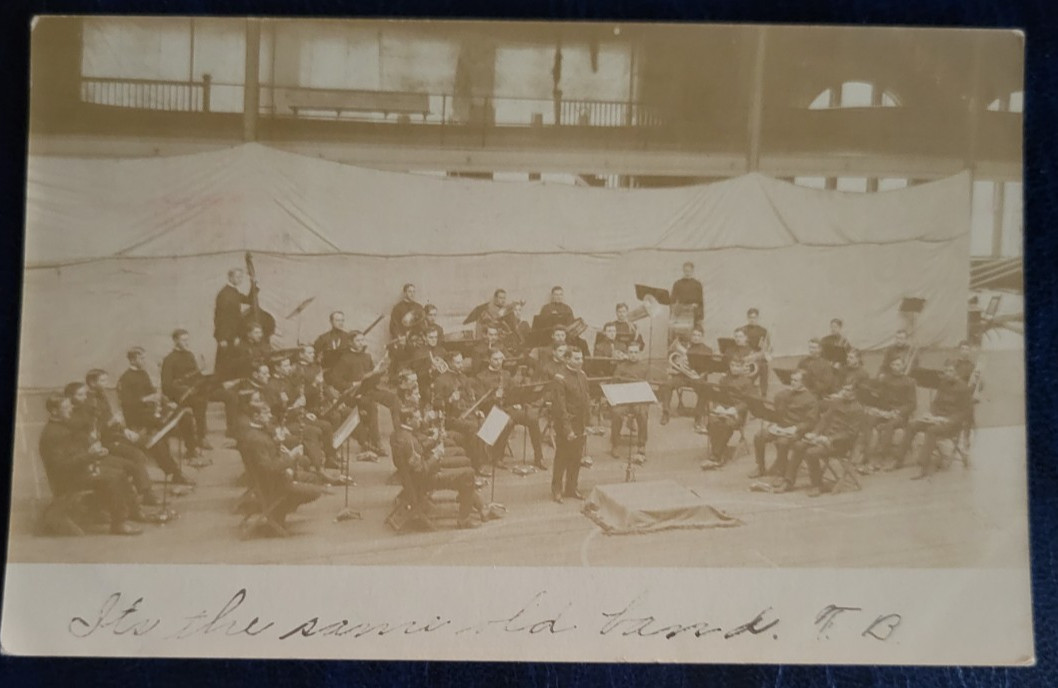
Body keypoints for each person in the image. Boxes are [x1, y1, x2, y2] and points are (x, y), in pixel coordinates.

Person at [39, 394, 144, 536]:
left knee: (119, 471)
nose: (70, 410)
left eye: (70, 406)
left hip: (78, 471)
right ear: (54, 411)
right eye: (66, 407)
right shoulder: (52, 434)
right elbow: (60, 466)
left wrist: (94, 452)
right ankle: (119, 523)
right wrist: (91, 455)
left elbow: (74, 453)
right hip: (67, 480)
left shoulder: (63, 426)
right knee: (114, 477)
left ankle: (128, 512)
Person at [85, 368, 194, 487]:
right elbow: (92, 430)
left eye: (106, 380)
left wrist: (125, 430)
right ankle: (148, 489)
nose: (106, 384)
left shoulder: (102, 397)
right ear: (92, 383)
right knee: (139, 452)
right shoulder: (89, 402)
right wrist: (112, 422)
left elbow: (111, 421)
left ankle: (174, 473)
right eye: (102, 381)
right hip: (107, 441)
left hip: (118, 434)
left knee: (155, 441)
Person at [390, 407, 494, 529]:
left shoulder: (399, 435)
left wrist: (434, 444)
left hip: (416, 479)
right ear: (408, 420)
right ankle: (464, 519)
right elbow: (421, 472)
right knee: (469, 474)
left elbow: (419, 455)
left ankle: (471, 498)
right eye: (417, 418)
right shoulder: (409, 442)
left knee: (465, 466)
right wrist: (436, 456)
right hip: (425, 481)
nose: (420, 420)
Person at [238, 403, 328, 534]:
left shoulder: (256, 432)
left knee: (314, 478)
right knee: (316, 491)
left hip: (275, 477)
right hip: (273, 483)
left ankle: (279, 512)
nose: (270, 416)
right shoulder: (257, 440)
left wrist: (278, 444)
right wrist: (291, 457)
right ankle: (277, 513)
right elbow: (269, 467)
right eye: (266, 414)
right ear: (256, 416)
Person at [779, 382, 864, 497]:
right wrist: (814, 434)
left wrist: (829, 438)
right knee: (799, 445)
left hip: (840, 444)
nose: (844, 392)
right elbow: (824, 420)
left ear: (855, 393)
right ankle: (788, 481)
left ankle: (817, 485)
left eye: (848, 390)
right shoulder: (836, 402)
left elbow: (851, 433)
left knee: (811, 453)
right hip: (824, 438)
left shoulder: (858, 409)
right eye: (843, 388)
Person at [891, 361, 974, 478]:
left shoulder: (964, 388)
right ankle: (899, 459)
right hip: (937, 418)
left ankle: (923, 466)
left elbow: (966, 412)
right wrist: (930, 415)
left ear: (957, 373)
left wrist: (948, 419)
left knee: (932, 431)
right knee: (912, 425)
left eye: (951, 371)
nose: (948, 374)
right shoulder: (943, 384)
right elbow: (935, 403)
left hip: (951, 423)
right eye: (946, 371)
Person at [475, 349, 546, 469]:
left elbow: (514, 392)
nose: (498, 362)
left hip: (508, 408)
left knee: (533, 419)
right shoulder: (481, 377)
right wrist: (494, 397)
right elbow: (480, 403)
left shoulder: (506, 374)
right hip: (492, 411)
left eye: (501, 359)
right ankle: (498, 457)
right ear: (489, 360)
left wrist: (518, 398)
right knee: (508, 422)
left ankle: (539, 458)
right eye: (495, 359)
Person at [751, 369, 818, 479]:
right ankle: (760, 466)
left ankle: (781, 473)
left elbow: (811, 422)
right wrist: (784, 394)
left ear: (804, 382)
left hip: (797, 430)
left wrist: (796, 428)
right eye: (791, 380)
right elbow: (778, 408)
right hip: (782, 426)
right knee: (759, 436)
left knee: (782, 441)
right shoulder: (787, 394)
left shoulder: (811, 399)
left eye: (796, 380)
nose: (792, 382)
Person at [858, 357, 917, 471]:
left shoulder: (909, 382)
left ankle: (880, 457)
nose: (895, 367)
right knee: (869, 420)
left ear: (903, 366)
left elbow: (912, 404)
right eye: (893, 365)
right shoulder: (886, 380)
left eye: (898, 365)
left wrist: (898, 411)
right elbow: (880, 396)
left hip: (900, 415)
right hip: (885, 411)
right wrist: (872, 395)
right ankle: (866, 454)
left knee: (889, 425)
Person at [701, 358, 758, 470]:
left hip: (737, 413)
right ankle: (718, 452)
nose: (734, 368)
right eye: (732, 365)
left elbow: (749, 402)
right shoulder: (724, 380)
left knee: (725, 424)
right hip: (723, 409)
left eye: (737, 366)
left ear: (742, 368)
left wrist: (735, 409)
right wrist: (718, 407)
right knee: (713, 422)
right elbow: (717, 395)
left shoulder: (748, 382)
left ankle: (717, 457)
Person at [550, 349, 590, 503]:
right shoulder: (560, 378)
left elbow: (586, 398)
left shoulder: (583, 375)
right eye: (576, 358)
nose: (580, 361)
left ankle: (571, 488)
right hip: (566, 424)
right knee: (562, 457)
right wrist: (568, 430)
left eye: (581, 358)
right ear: (567, 359)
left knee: (576, 457)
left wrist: (588, 423)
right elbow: (560, 407)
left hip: (580, 423)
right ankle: (557, 489)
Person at [161, 329, 210, 453]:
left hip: (192, 391)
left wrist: (200, 383)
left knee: (202, 400)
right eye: (183, 340)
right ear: (175, 341)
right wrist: (183, 389)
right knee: (199, 402)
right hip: (177, 394)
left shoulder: (190, 355)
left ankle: (201, 437)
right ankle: (196, 440)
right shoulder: (169, 359)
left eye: (187, 339)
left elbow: (196, 375)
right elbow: (166, 385)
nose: (186, 342)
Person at [658, 327, 713, 429]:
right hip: (682, 376)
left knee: (705, 390)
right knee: (667, 385)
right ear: (691, 336)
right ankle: (666, 412)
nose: (696, 338)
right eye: (694, 335)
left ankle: (698, 417)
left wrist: (701, 375)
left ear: (702, 337)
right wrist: (678, 364)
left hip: (696, 378)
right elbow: (675, 359)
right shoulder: (687, 347)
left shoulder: (707, 350)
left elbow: (709, 368)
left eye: (698, 335)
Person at [609, 341, 651, 461]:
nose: (633, 355)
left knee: (642, 413)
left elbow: (648, 386)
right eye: (631, 352)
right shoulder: (621, 366)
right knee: (616, 413)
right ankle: (615, 444)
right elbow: (614, 383)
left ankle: (641, 444)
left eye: (636, 352)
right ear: (627, 353)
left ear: (639, 353)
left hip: (639, 399)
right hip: (624, 399)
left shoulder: (644, 367)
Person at [214, 268, 254, 377]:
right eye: (237, 277)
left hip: (234, 335)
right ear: (230, 277)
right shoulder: (224, 294)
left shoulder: (234, 292)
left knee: (233, 364)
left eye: (241, 277)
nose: (240, 279)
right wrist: (222, 338)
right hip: (226, 336)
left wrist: (253, 285)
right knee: (224, 365)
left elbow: (249, 300)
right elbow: (220, 318)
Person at [736, 308, 770, 396]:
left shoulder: (763, 331)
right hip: (744, 354)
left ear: (758, 318)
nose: (752, 320)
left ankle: (764, 392)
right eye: (750, 317)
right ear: (747, 318)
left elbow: (764, 347)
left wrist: (756, 355)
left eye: (754, 317)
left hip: (755, 356)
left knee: (764, 365)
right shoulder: (743, 329)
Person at [671, 261, 704, 327]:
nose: (687, 273)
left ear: (692, 271)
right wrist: (673, 312)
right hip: (681, 313)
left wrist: (700, 317)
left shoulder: (697, 284)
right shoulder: (677, 284)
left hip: (694, 312)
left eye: (689, 271)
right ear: (683, 271)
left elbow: (700, 301)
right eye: (686, 271)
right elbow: (672, 300)